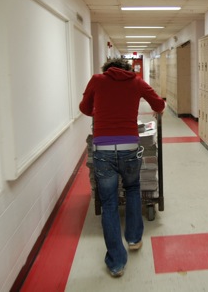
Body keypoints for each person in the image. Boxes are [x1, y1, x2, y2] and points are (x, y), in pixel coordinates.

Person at [79, 58, 165, 278]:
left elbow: (85, 108)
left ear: (106, 70)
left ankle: (116, 262)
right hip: (129, 148)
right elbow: (159, 104)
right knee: (133, 189)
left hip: (103, 151)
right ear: (127, 69)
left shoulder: (97, 81)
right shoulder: (136, 82)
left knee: (108, 203)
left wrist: (102, 110)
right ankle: (134, 239)